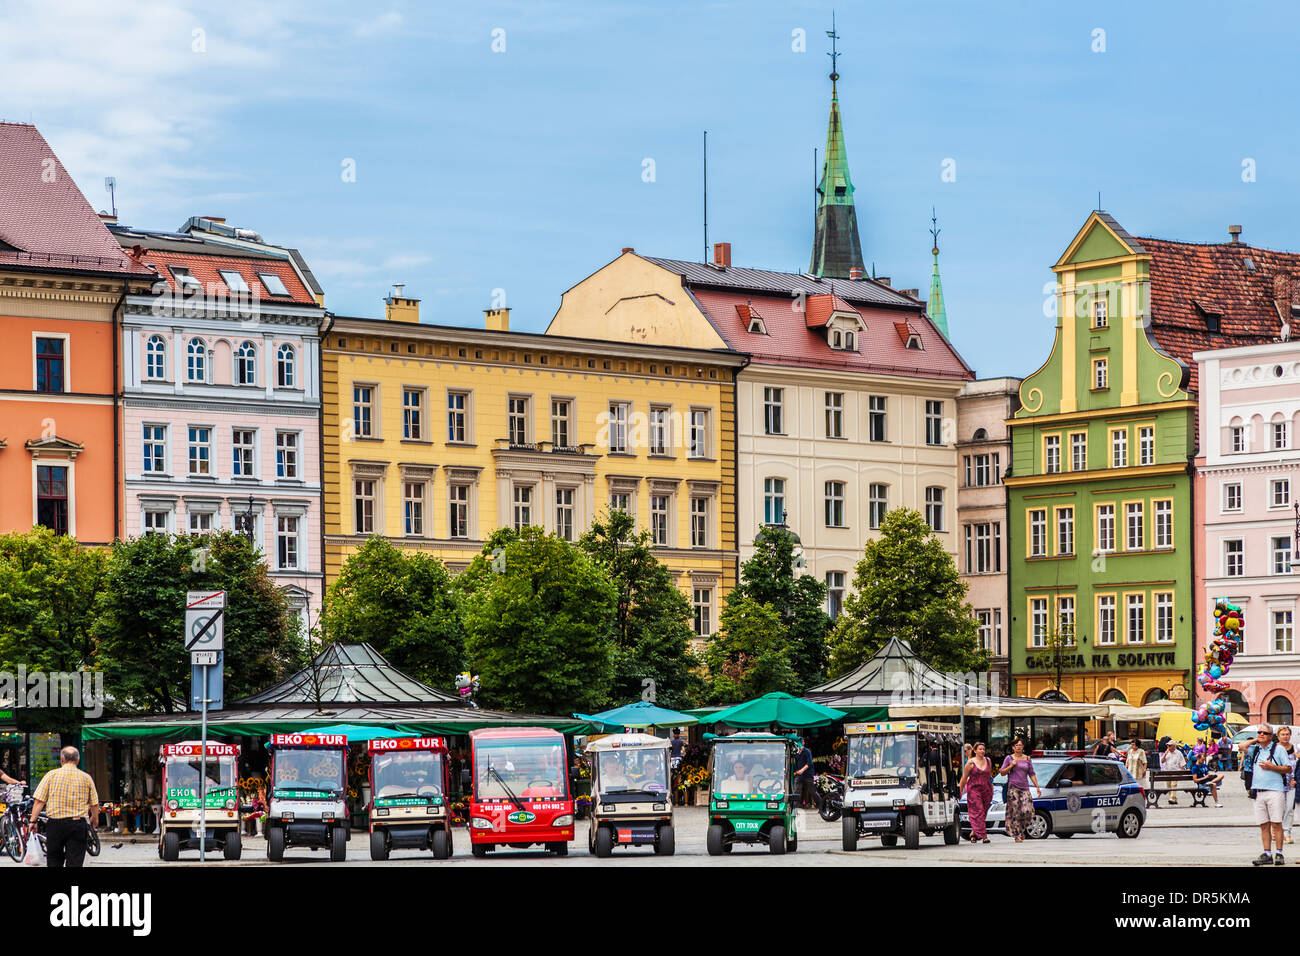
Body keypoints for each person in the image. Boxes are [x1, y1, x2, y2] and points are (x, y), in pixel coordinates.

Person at [29, 746, 99, 869]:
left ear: (62, 759)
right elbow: (94, 803)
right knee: (75, 862)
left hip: (55, 824)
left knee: (54, 860)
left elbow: (39, 801)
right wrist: (94, 817)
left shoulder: (51, 775)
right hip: (77, 823)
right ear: (77, 760)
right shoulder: (86, 777)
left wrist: (33, 821)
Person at [1238, 724, 1293, 865]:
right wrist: (1255, 740)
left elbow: (1288, 768)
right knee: (1263, 824)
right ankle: (1267, 853)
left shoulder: (1278, 749)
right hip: (1258, 791)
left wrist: (1271, 767)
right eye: (1259, 732)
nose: (1261, 734)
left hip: (1274, 790)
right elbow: (1241, 746)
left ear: (1271, 736)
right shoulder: (1255, 749)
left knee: (1276, 823)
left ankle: (1279, 853)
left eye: (1264, 733)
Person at [998, 738, 1039, 843]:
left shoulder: (1027, 759)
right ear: (1013, 747)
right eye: (1016, 745)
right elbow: (1002, 772)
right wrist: (1011, 766)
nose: (1019, 747)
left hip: (1025, 788)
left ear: (1023, 747)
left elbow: (1032, 773)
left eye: (1020, 745)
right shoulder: (1009, 758)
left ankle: (1021, 829)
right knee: (1016, 812)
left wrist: (1037, 786)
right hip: (1013, 788)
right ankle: (1017, 834)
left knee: (1027, 811)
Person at [958, 741, 995, 844]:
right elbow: (964, 778)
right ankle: (984, 836)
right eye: (980, 749)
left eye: (983, 749)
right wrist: (960, 791)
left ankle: (973, 833)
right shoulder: (970, 762)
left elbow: (989, 776)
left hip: (986, 789)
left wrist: (992, 788)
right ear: (975, 750)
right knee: (978, 811)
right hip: (974, 789)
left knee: (983, 812)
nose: (982, 751)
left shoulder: (988, 760)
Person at [1279, 726, 1297, 844]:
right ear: (1278, 736)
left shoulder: (1296, 748)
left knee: (1289, 808)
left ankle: (1287, 832)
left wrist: (1296, 779)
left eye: (1287, 734)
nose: (1285, 736)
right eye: (1283, 734)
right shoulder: (1275, 749)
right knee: (1279, 808)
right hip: (1277, 783)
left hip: (1292, 782)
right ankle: (1276, 830)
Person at [791, 738, 816, 809]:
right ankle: (794, 809)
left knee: (812, 791)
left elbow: (809, 763)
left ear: (803, 743)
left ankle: (821, 805)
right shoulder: (796, 752)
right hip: (799, 776)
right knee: (797, 791)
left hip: (808, 775)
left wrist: (802, 770)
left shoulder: (807, 751)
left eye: (800, 742)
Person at [1160, 739, 1186, 804]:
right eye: (1168, 746)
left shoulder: (1178, 753)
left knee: (1173, 785)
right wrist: (1165, 754)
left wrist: (1181, 771)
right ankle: (1173, 798)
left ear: (1174, 746)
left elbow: (1182, 763)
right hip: (1167, 771)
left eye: (1170, 746)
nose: (1168, 747)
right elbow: (1162, 761)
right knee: (1168, 786)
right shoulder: (1167, 753)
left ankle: (1172, 798)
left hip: (1175, 771)